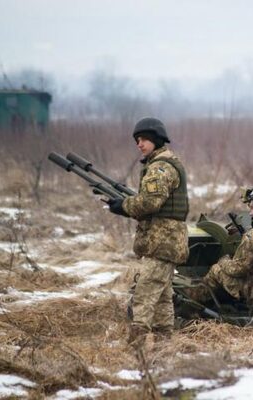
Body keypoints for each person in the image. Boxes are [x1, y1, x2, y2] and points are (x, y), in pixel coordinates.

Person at [107, 117, 189, 344]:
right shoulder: (164, 162)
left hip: (163, 241)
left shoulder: (160, 167)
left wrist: (123, 206)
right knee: (162, 297)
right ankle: (164, 344)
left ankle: (137, 347)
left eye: (143, 139)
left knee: (144, 294)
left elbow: (151, 202)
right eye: (137, 140)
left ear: (155, 139)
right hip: (167, 241)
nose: (139, 144)